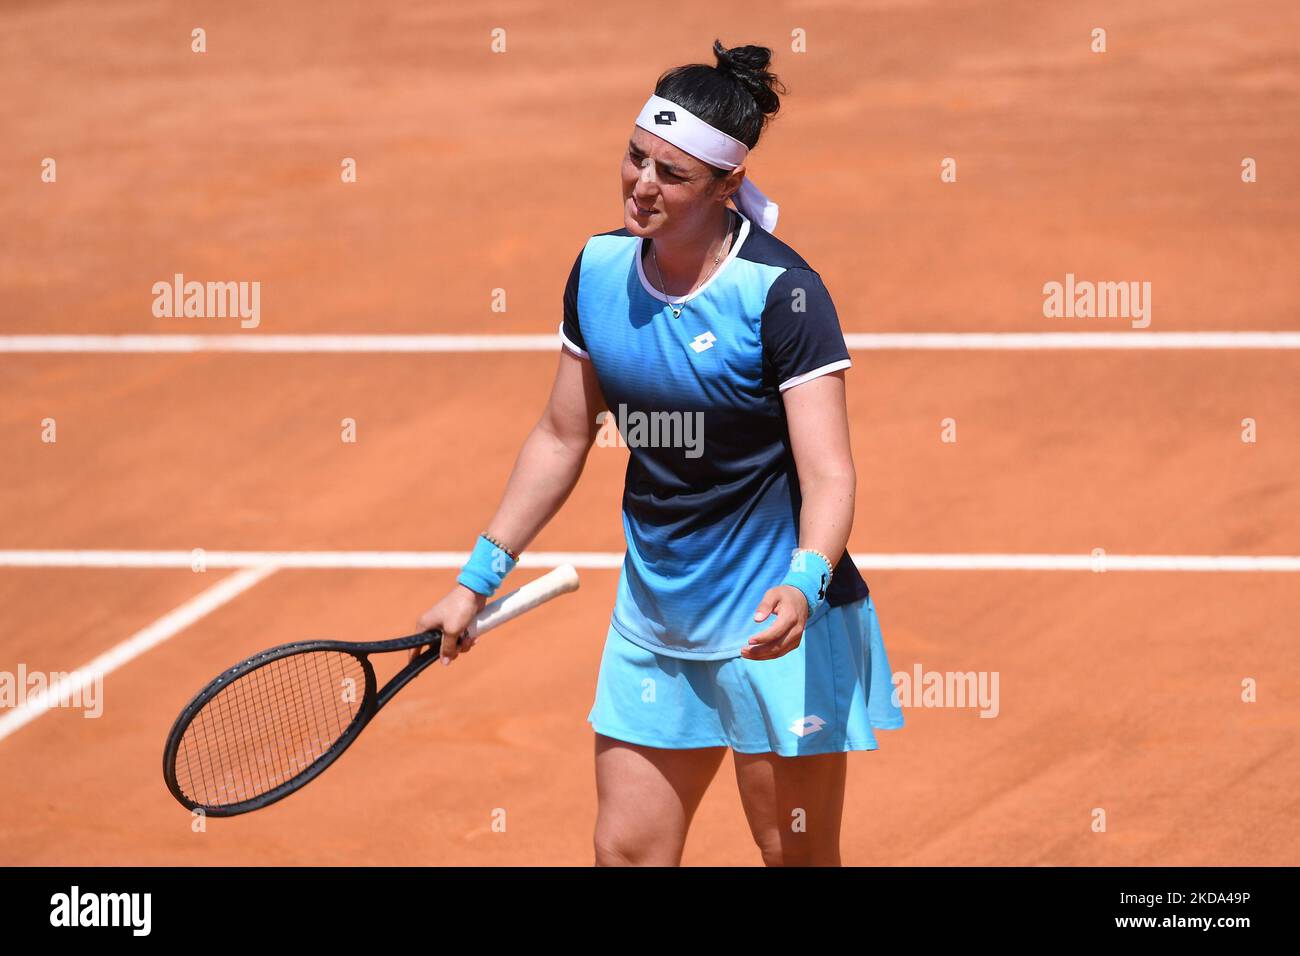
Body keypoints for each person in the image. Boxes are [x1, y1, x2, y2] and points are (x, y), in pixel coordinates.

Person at [414, 39, 903, 867]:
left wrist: (805, 582)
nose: (643, 184)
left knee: (796, 857)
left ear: (727, 185)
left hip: (771, 622)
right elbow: (563, 434)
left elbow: (828, 470)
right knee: (627, 853)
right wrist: (475, 581)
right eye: (636, 157)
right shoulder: (600, 271)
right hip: (657, 618)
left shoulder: (780, 293)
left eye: (671, 175)